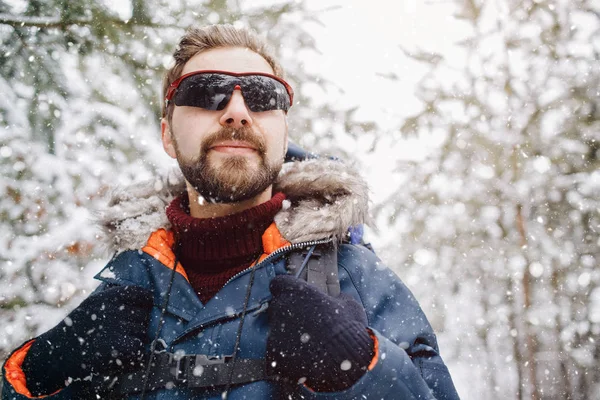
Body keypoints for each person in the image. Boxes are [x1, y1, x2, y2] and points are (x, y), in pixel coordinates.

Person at [2, 24, 460, 400]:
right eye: (206, 92)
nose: (237, 111)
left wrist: (361, 369)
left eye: (262, 96)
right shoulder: (123, 289)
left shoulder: (356, 279)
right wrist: (33, 377)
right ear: (167, 134)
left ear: (283, 132)